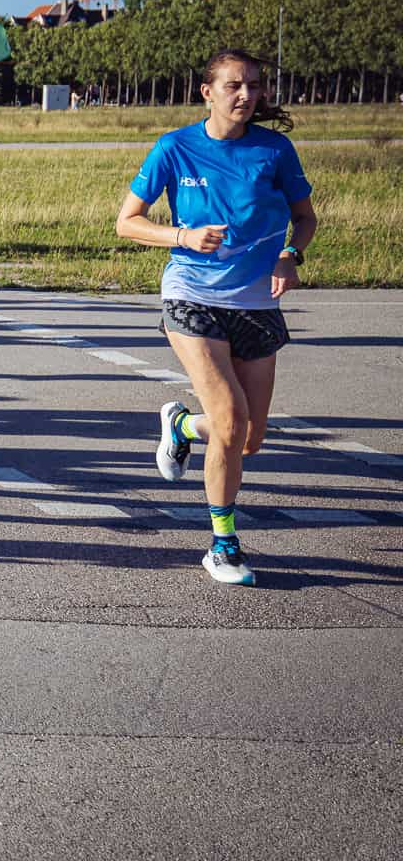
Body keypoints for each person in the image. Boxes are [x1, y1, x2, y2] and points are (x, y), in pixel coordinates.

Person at [116, 49, 316, 586]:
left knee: (249, 438)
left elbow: (305, 217)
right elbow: (127, 223)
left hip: (256, 304)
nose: (246, 95)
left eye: (253, 85)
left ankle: (181, 425)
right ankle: (223, 546)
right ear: (208, 92)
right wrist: (180, 235)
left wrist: (289, 255)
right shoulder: (175, 148)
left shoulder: (275, 150)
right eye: (234, 85)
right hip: (191, 296)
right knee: (229, 421)